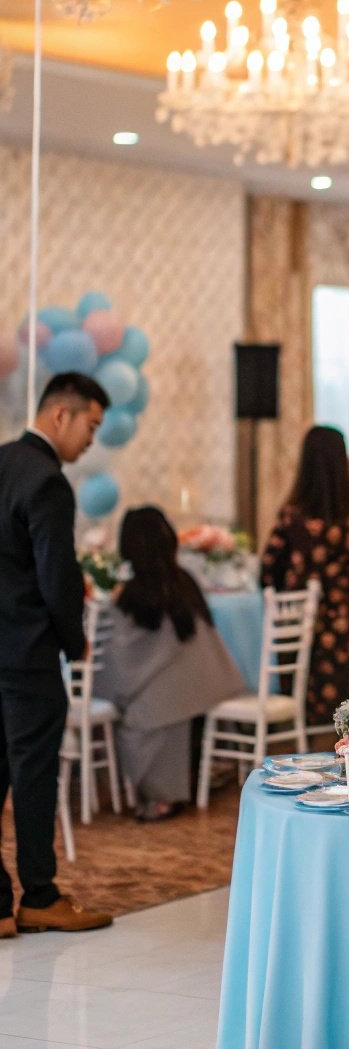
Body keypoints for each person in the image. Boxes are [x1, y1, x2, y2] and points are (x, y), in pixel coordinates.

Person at [0, 372, 113, 936]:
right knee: (35, 776)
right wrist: (76, 639)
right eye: (90, 425)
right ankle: (40, 895)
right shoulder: (48, 480)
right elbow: (56, 574)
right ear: (60, 416)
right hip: (27, 653)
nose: (91, 439)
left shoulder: (0, 461)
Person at [96, 507, 246, 820]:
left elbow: (122, 660)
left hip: (165, 691)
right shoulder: (184, 582)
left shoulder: (134, 594)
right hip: (203, 684)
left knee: (134, 721)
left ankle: (162, 795)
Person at [261, 426, 349, 723]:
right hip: (339, 614)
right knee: (340, 698)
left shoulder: (292, 514)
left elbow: (266, 569)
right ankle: (340, 746)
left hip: (297, 616)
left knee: (297, 691)